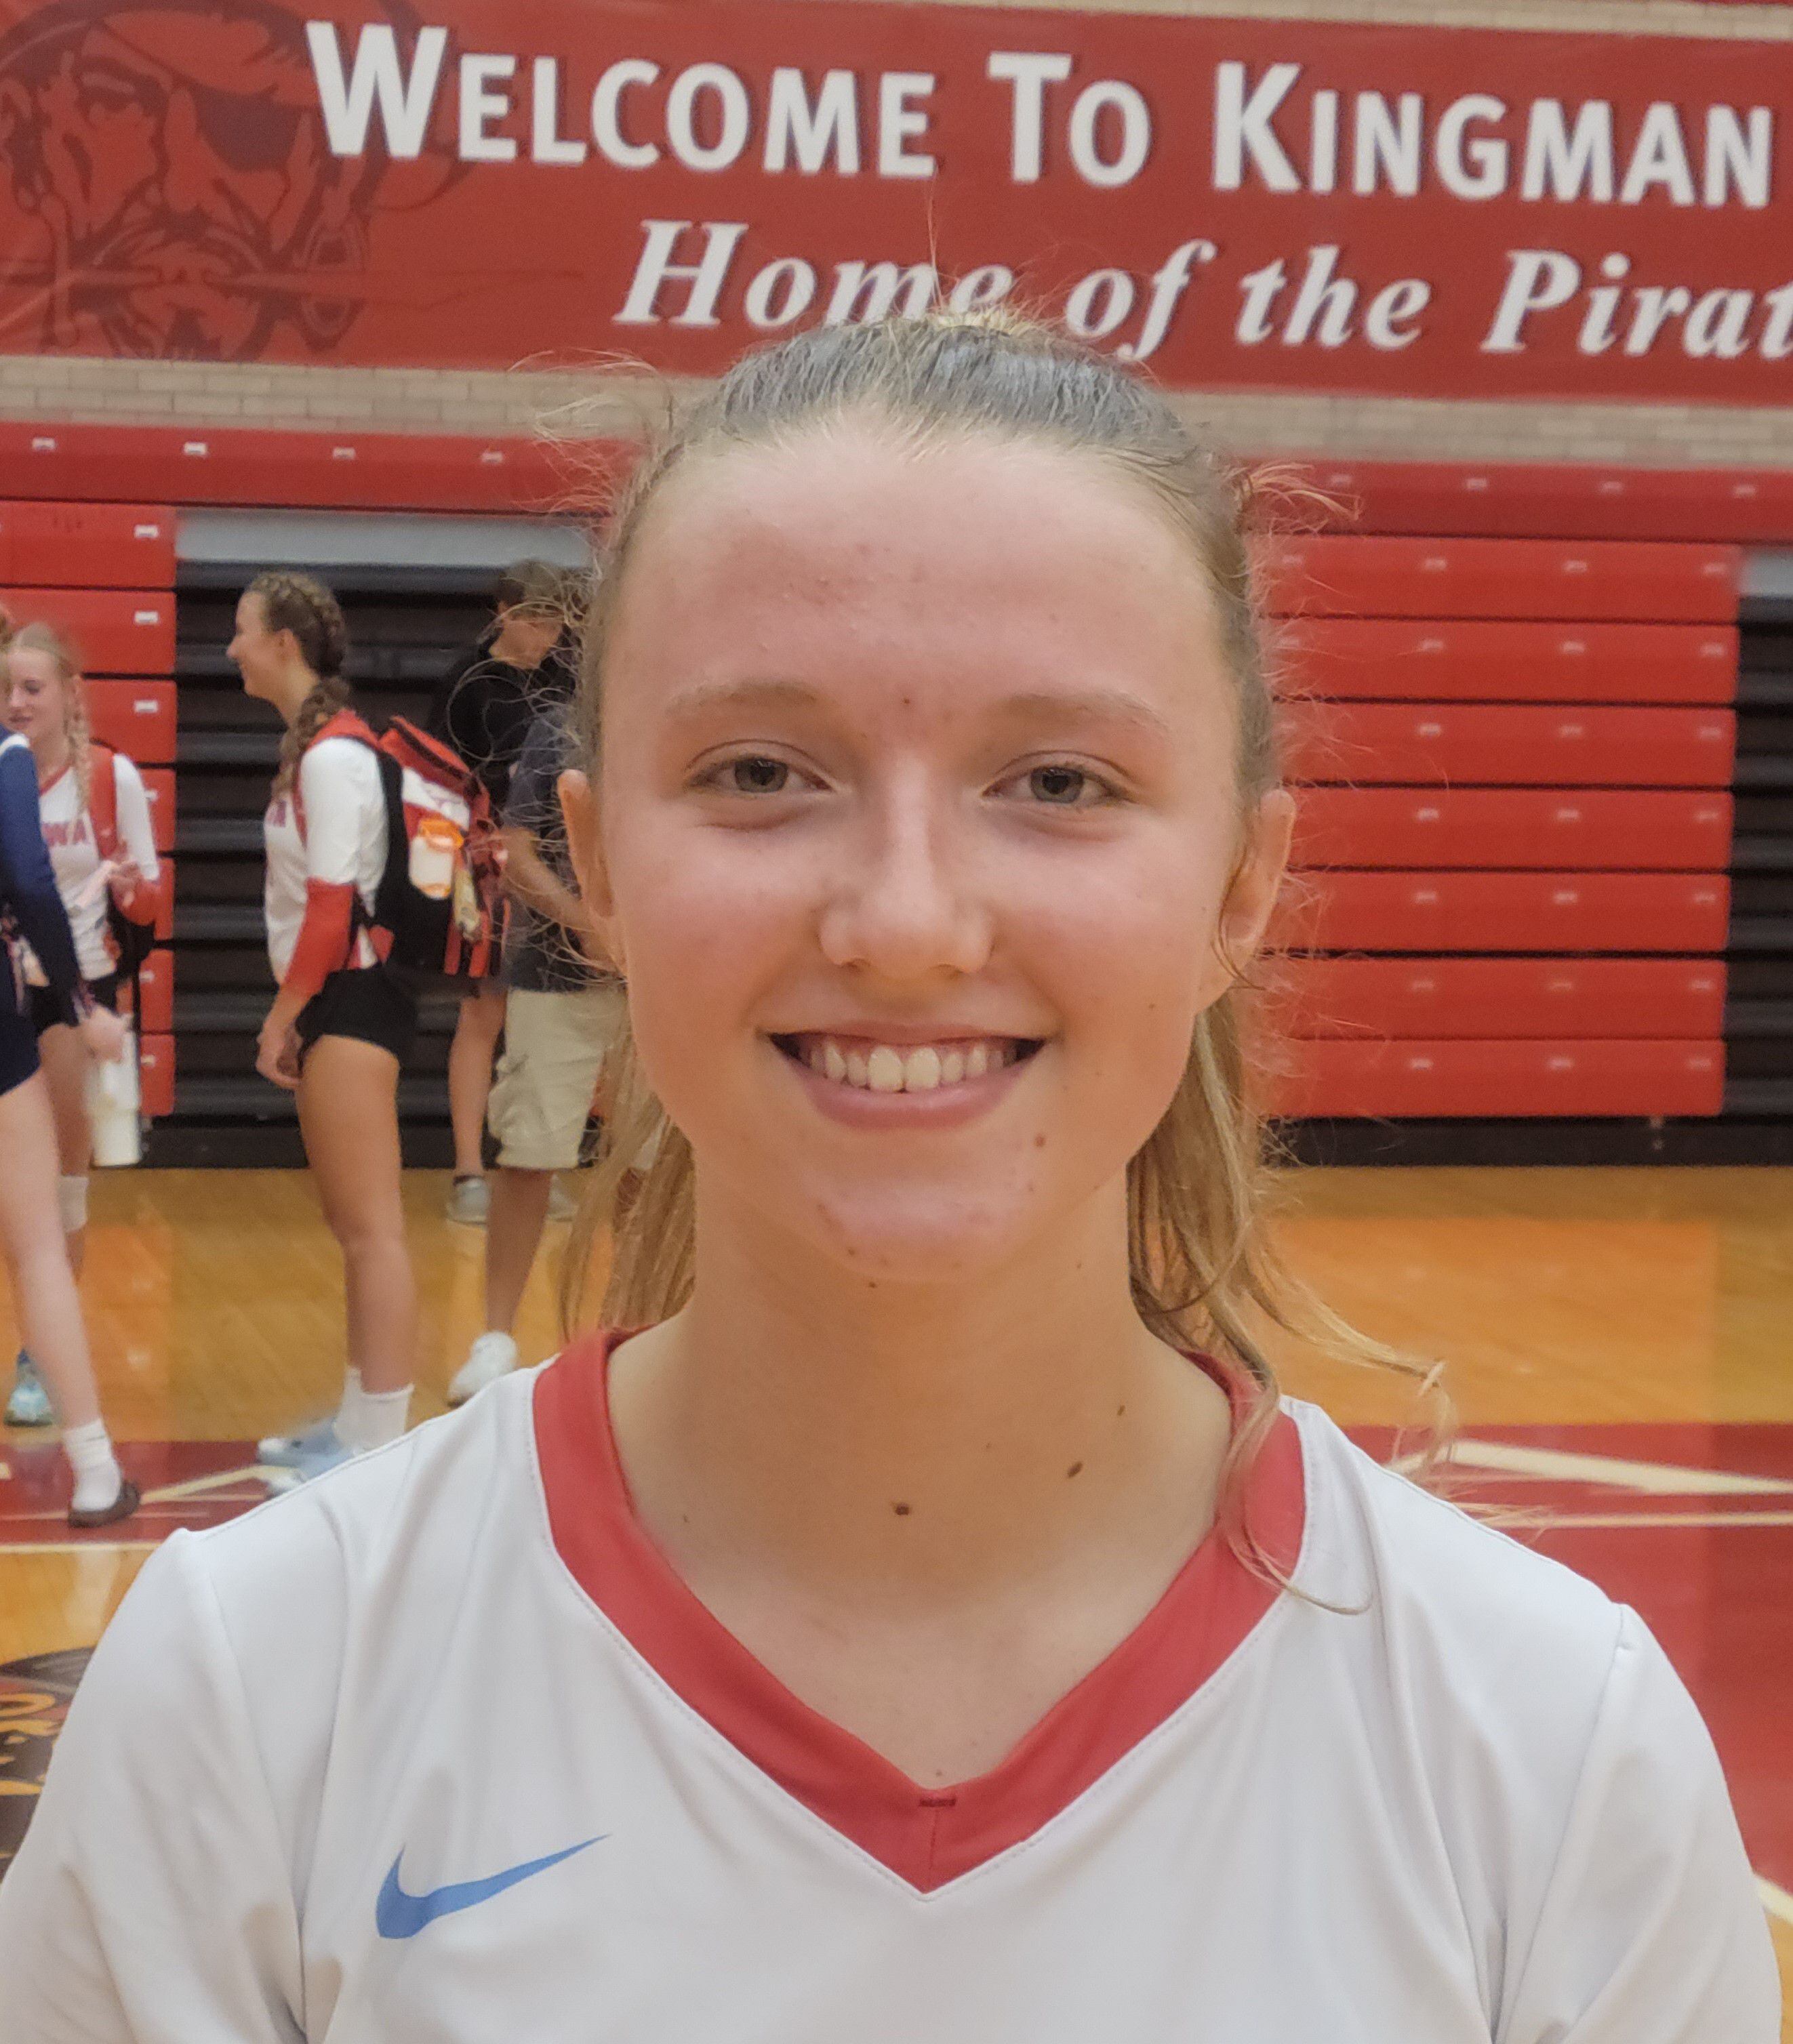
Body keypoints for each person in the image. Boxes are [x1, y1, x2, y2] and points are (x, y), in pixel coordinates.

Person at [0, 318, 1776, 2039]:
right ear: (598, 867)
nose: (908, 923)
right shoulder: (252, 1704)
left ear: (1239, 888)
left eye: (1058, 778)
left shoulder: (1553, 1762)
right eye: (760, 771)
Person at [231, 571, 416, 1484]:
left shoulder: (332, 758)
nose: (230, 648)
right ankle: (356, 1418)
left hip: (351, 995)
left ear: (283, 644)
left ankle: (380, 1439)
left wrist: (282, 1017)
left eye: (241, 630)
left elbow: (332, 905)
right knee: (353, 1225)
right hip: (337, 996)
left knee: (373, 1228)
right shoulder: (315, 750)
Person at [446, 698, 628, 1406]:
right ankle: (494, 1339)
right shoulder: (560, 727)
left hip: (656, 987)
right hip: (554, 981)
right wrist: (584, 920)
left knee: (647, 1175)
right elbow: (516, 855)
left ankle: (641, 1332)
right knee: (528, 1155)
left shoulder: (666, 715)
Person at [1, 623, 161, 1428]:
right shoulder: (3, 771)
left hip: (75, 997)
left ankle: (41, 1357)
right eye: (7, 688)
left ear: (69, 693)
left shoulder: (110, 776)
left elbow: (149, 901)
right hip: (6, 990)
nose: (17, 701)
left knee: (58, 1186)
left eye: (32, 687)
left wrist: (130, 889)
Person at [0, 717, 138, 1525]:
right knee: (38, 1247)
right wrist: (81, 1000)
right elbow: (27, 873)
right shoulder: (7, 752)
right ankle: (93, 1470)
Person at [429, 560, 580, 1226]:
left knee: (547, 1020)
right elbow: (436, 783)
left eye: (554, 623)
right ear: (502, 613)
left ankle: (536, 1166)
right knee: (482, 1014)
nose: (545, 635)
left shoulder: (566, 684)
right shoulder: (466, 683)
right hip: (483, 865)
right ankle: (469, 1170)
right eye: (533, 620)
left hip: (556, 871)